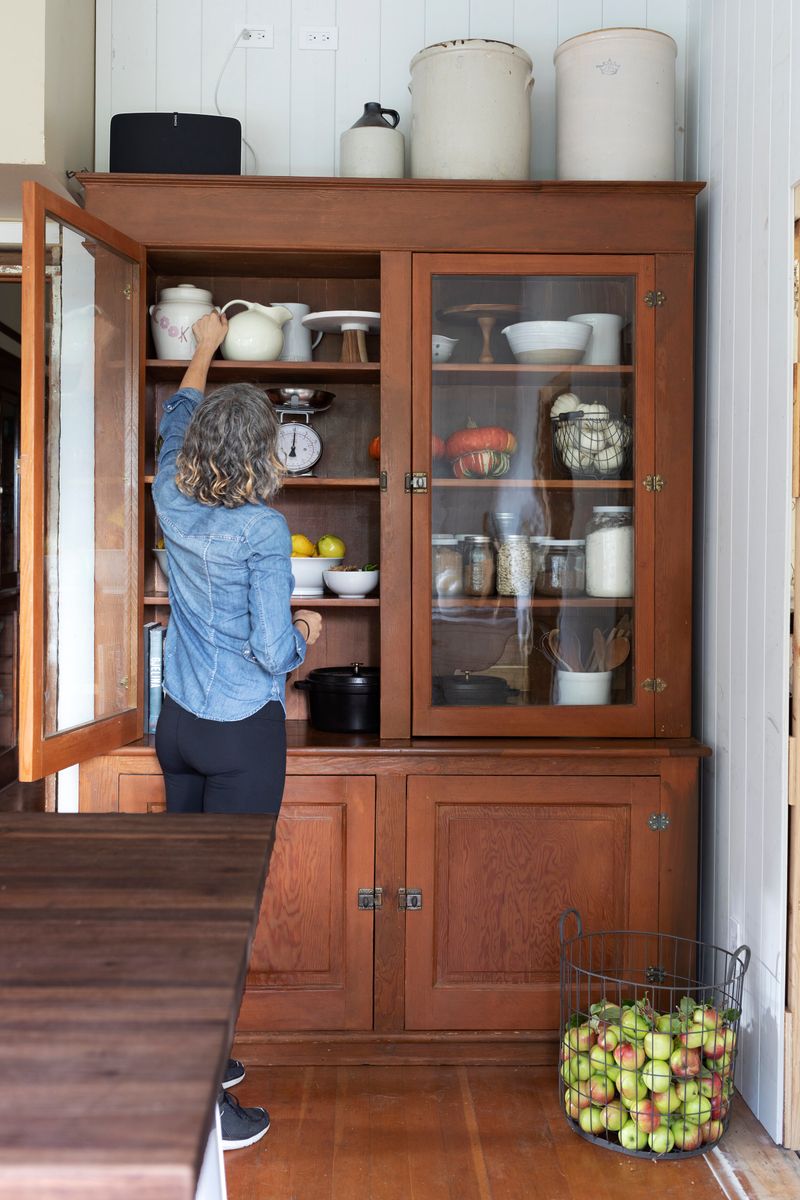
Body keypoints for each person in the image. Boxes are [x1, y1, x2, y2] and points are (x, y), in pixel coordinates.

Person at [153, 310, 321, 1151]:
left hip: (177, 725)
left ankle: (202, 1061)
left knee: (189, 913)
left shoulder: (167, 493)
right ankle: (207, 1109)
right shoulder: (262, 528)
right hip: (238, 733)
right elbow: (268, 644)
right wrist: (306, 641)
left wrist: (204, 353)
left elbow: (176, 416)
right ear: (262, 455)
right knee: (224, 921)